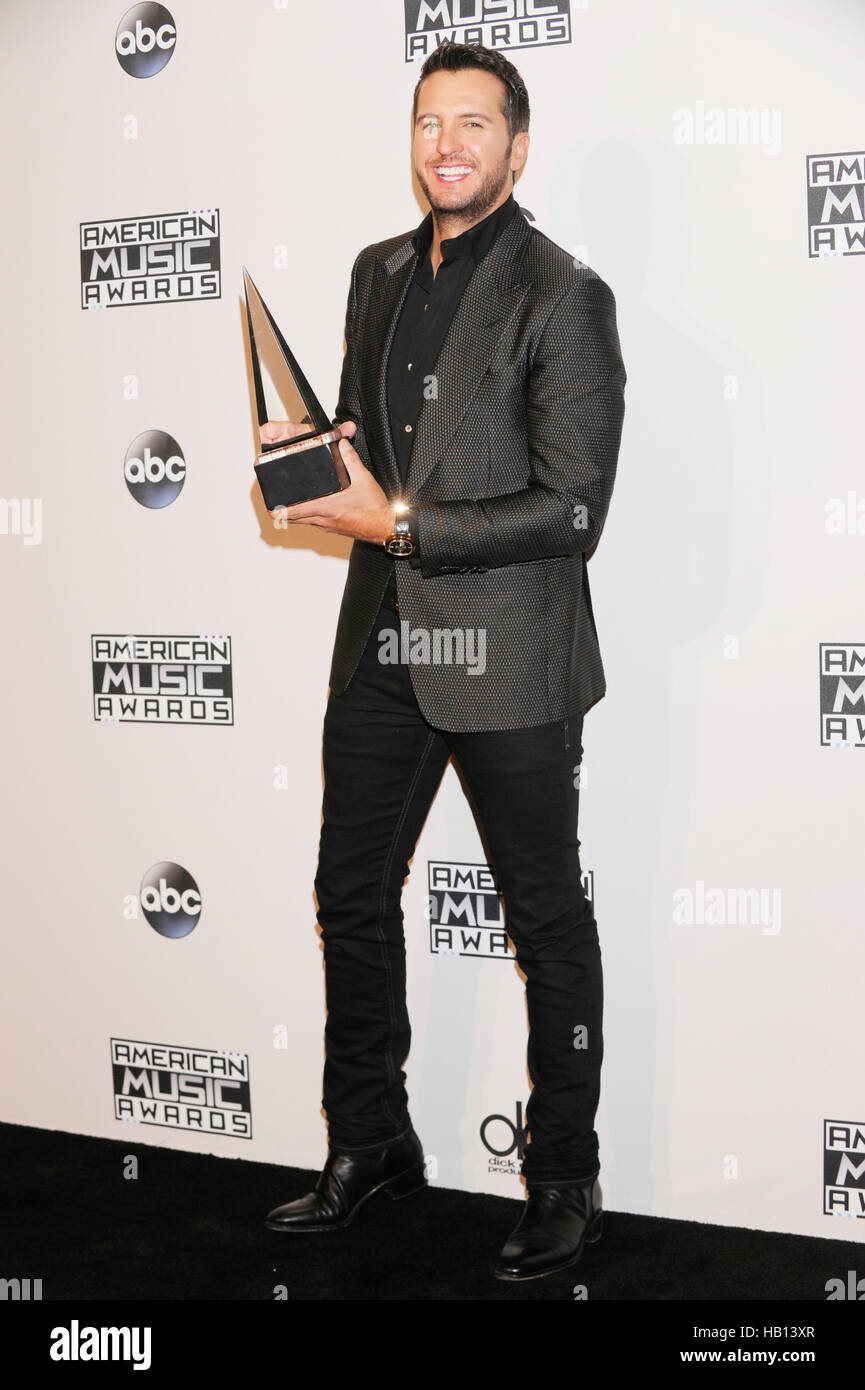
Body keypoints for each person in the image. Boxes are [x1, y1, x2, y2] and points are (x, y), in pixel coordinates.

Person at [262, 39, 626, 1282]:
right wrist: (316, 452)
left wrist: (401, 523)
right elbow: (387, 439)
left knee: (545, 919)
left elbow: (574, 507)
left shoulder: (563, 293)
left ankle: (565, 1178)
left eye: (474, 123)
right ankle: (371, 1142)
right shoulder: (374, 272)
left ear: (516, 149)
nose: (447, 143)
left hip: (509, 648)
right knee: (348, 893)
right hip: (383, 636)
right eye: (428, 121)